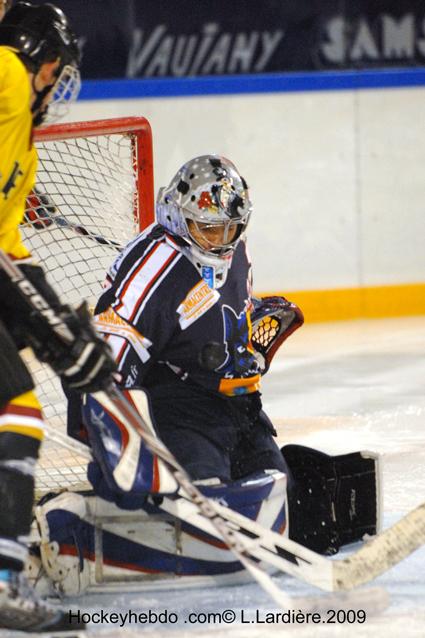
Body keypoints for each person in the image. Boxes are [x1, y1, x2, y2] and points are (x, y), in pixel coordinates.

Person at [0, 2, 116, 632]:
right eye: (53, 66)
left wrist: (61, 333)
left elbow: (11, 252)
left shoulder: (22, 148)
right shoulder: (7, 74)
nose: (54, 80)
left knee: (16, 409)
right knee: (16, 408)